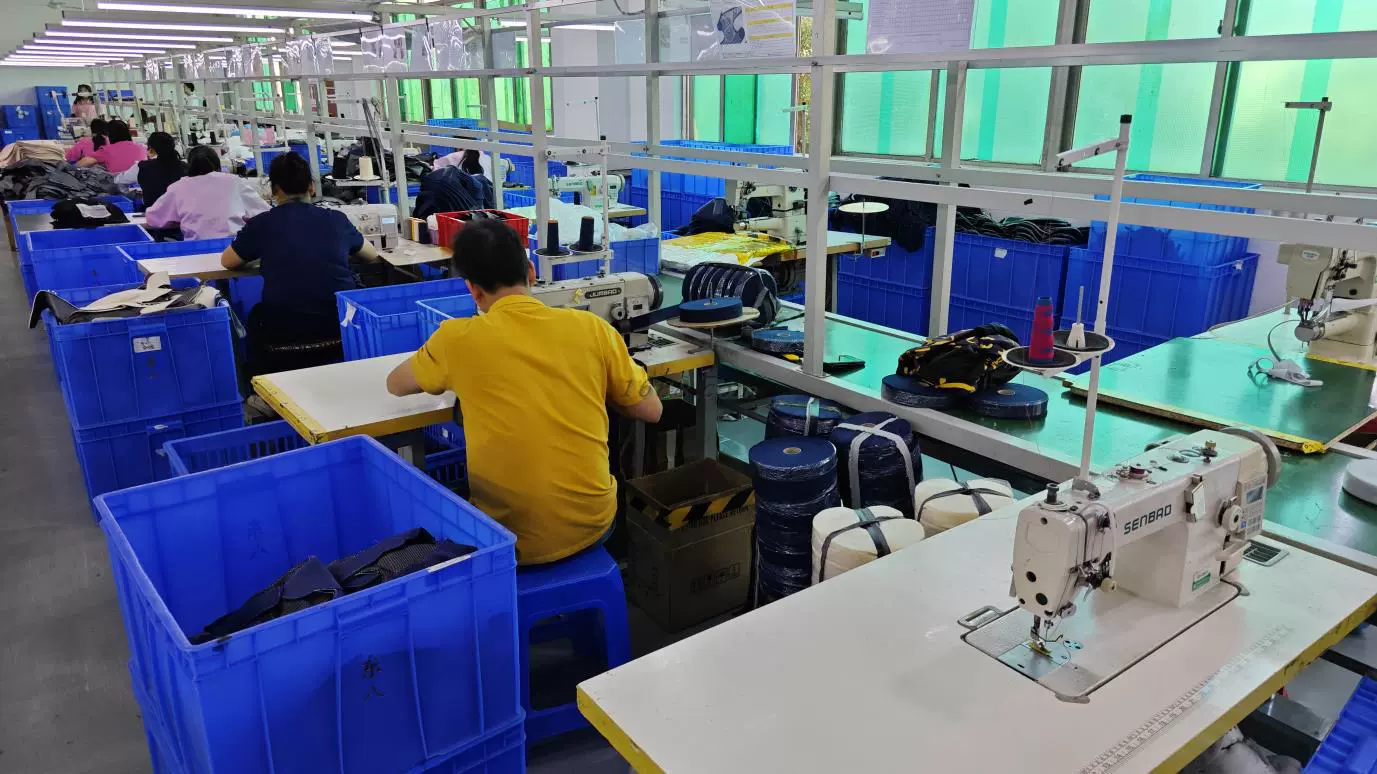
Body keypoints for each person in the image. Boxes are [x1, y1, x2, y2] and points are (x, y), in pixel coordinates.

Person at [386, 220, 663, 565]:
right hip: (594, 524)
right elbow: (652, 410)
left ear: (473, 290)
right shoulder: (593, 329)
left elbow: (395, 384)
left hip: (505, 540)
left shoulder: (455, 340)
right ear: (531, 271)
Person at [222, 151, 381, 374]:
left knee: (256, 315)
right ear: (311, 187)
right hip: (338, 326)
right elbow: (372, 255)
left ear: (273, 190)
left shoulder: (262, 225)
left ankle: (259, 384)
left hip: (284, 332)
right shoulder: (336, 220)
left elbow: (228, 261)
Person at [145, 145, 268, 239]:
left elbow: (152, 218)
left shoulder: (178, 187)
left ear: (189, 165)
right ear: (218, 164)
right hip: (233, 250)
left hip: (197, 251)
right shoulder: (234, 181)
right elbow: (264, 213)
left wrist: (181, 220)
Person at [136, 131, 185, 209]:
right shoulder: (185, 167)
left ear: (151, 148)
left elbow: (120, 180)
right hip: (181, 211)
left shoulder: (144, 167)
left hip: (153, 211)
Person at [77, 119, 143, 175]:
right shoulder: (141, 148)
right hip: (139, 182)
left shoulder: (107, 150)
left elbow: (82, 163)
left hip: (118, 183)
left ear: (109, 135)